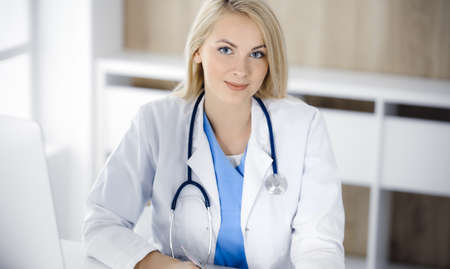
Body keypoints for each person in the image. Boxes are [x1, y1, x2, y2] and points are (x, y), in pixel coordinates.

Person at [82, 0, 345, 268]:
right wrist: (161, 265)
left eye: (257, 54)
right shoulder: (156, 122)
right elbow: (102, 220)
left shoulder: (304, 126)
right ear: (197, 51)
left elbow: (320, 245)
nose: (241, 70)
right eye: (225, 49)